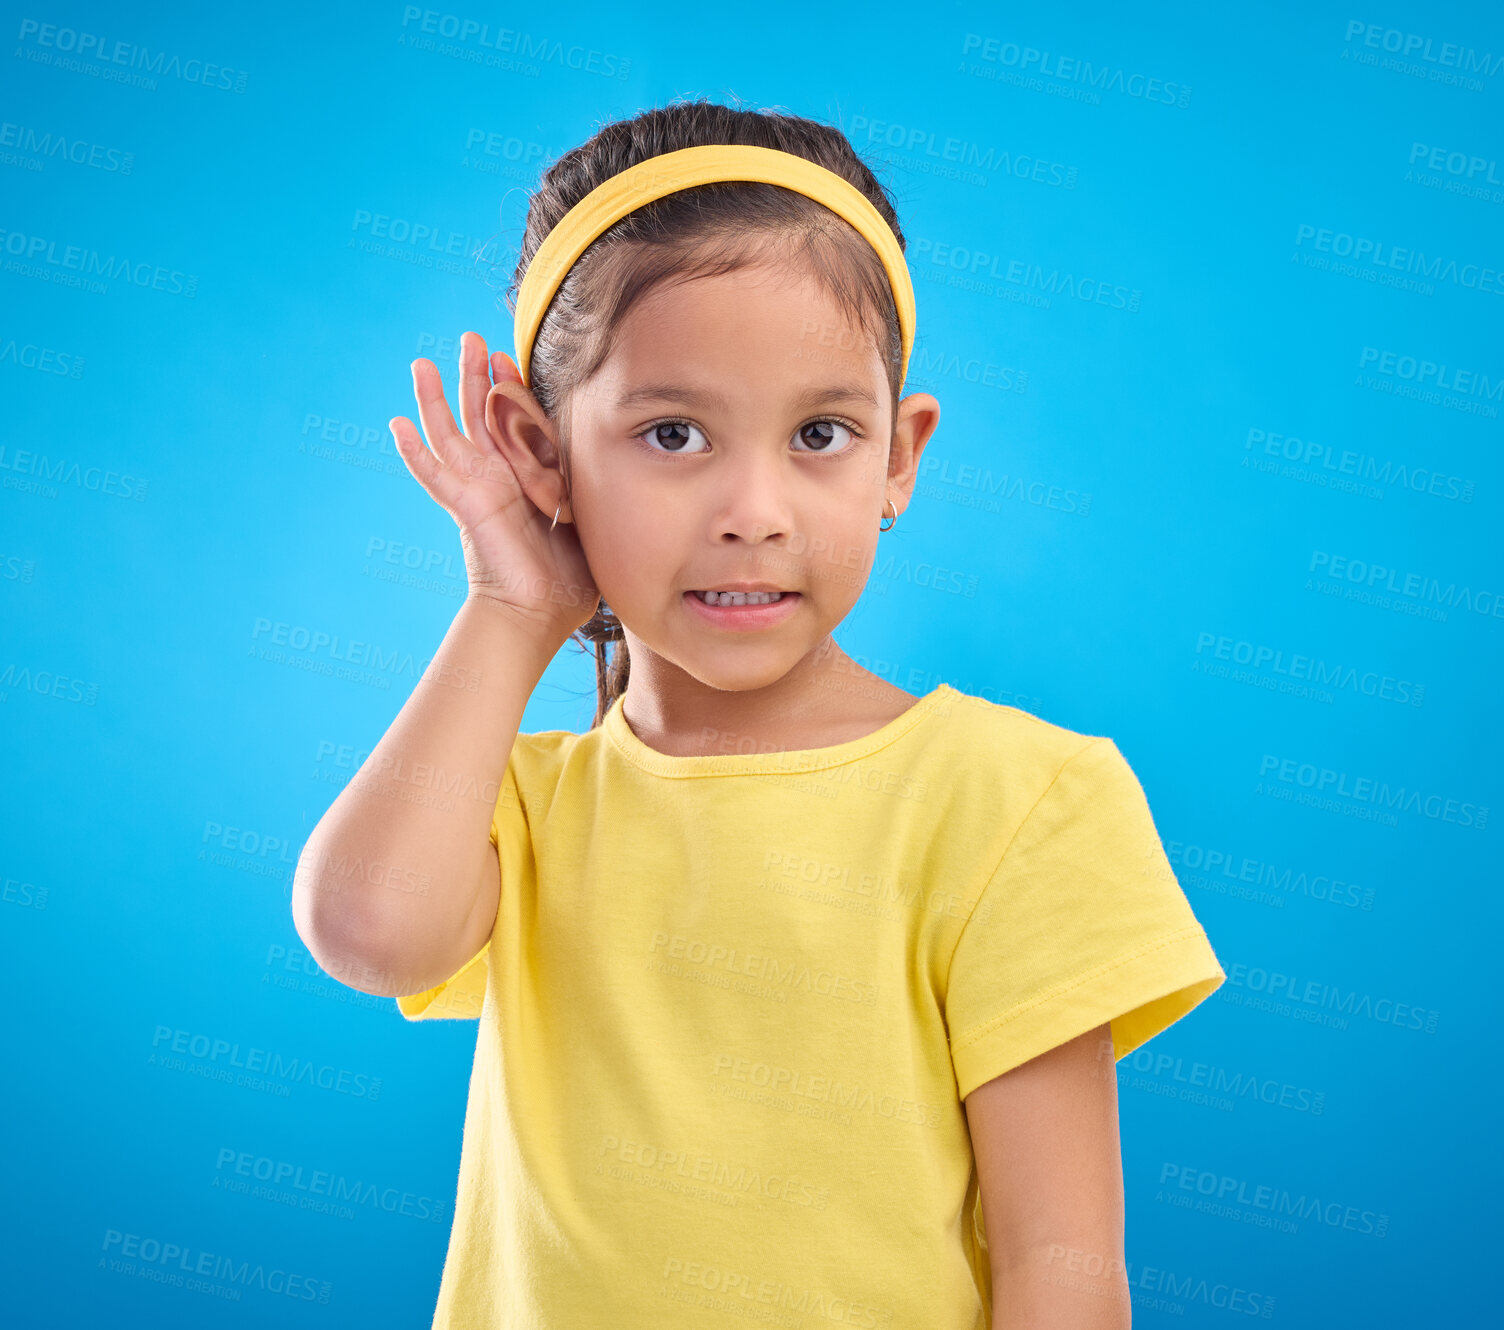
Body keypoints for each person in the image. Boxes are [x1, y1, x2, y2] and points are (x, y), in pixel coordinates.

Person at [292, 96, 1225, 1330]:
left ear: (899, 454)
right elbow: (367, 931)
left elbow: (1061, 1265)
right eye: (672, 432)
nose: (754, 509)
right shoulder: (519, 801)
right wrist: (514, 604)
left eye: (820, 434)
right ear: (538, 449)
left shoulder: (1018, 799)